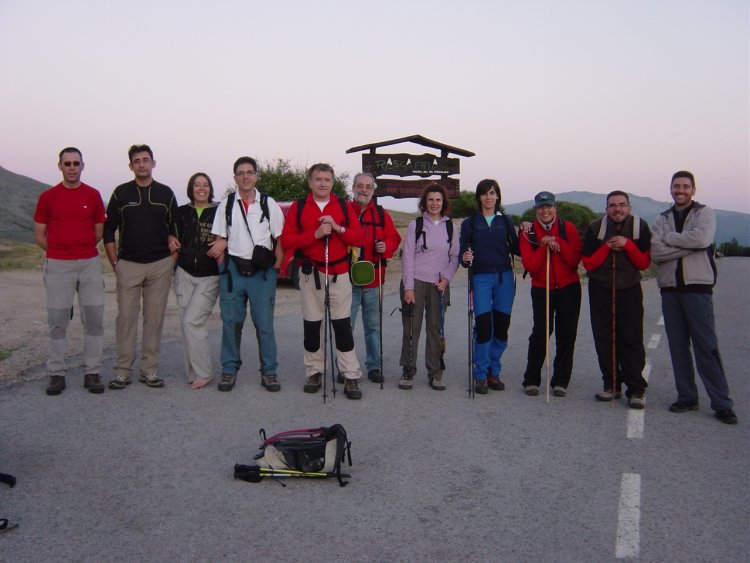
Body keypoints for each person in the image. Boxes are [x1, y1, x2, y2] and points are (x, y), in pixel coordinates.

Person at [650, 171, 737, 424]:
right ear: (670, 189)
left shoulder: (705, 213)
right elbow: (656, 250)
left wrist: (672, 241)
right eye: (676, 186)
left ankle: (722, 403)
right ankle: (687, 397)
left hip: (697, 289)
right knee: (678, 347)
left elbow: (703, 239)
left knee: (706, 347)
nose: (680, 190)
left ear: (693, 189)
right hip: (670, 289)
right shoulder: (662, 218)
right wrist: (687, 246)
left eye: (685, 186)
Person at [280, 163, 364, 399]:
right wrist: (314, 235)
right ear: (310, 182)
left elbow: (359, 238)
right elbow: (287, 241)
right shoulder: (298, 208)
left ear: (332, 182)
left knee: (342, 326)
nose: (323, 184)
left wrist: (337, 228)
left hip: (340, 273)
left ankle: (349, 374)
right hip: (311, 274)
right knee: (312, 326)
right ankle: (314, 371)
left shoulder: (344, 207)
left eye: (327, 180)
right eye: (318, 179)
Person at [33, 147, 106, 396]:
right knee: (57, 321)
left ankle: (92, 372)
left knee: (94, 319)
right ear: (60, 166)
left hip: (89, 263)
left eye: (76, 163)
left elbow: (98, 232)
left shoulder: (93, 195)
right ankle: (56, 373)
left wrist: (81, 249)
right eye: (68, 163)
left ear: (82, 166)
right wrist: (59, 251)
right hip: (58, 265)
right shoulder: (48, 197)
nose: (72, 167)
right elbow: (40, 234)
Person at [104, 144, 178, 390]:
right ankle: (122, 371)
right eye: (137, 161)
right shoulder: (120, 193)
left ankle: (150, 370)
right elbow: (108, 231)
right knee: (125, 318)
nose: (142, 164)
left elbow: (175, 230)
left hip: (159, 264)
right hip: (129, 264)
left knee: (154, 319)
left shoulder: (166, 194)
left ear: (153, 163)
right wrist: (115, 262)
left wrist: (171, 261)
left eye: (146, 160)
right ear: (131, 166)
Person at [209, 157, 284, 392]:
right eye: (240, 173)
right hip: (233, 272)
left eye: (249, 172)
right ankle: (229, 370)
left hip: (262, 274)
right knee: (231, 323)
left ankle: (269, 372)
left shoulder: (268, 203)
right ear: (234, 178)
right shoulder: (227, 204)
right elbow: (219, 239)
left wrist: (276, 268)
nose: (245, 177)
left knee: (264, 324)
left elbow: (280, 239)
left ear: (256, 176)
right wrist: (224, 269)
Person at [582, 190, 651, 408]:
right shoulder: (595, 228)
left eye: (622, 205)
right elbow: (589, 263)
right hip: (600, 287)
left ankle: (636, 388)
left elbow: (643, 263)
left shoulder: (640, 227)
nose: (617, 209)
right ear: (606, 208)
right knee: (603, 337)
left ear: (629, 207)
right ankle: (611, 383)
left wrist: (628, 245)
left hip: (629, 287)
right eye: (612, 205)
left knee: (631, 338)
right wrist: (607, 247)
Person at [519, 191, 582, 397]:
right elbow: (530, 265)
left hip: (569, 287)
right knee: (541, 333)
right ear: (535, 209)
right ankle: (531, 379)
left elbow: (574, 260)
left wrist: (558, 243)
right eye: (541, 207)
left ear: (555, 208)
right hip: (541, 286)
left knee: (567, 333)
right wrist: (543, 244)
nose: (545, 210)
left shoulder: (568, 228)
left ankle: (561, 380)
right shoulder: (528, 232)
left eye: (549, 206)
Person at [459, 179, 519, 394]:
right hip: (481, 278)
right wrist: (465, 258)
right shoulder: (470, 223)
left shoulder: (506, 221)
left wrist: (530, 232)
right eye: (484, 193)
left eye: (492, 193)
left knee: (501, 327)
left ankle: (495, 370)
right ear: (479, 197)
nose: (488, 197)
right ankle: (481, 375)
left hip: (504, 278)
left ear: (498, 196)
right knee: (484, 327)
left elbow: (518, 248)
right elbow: (462, 254)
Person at [399, 183, 460, 391]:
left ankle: (435, 372)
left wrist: (447, 279)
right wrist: (408, 287)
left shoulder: (450, 226)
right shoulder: (415, 225)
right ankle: (408, 370)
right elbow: (407, 258)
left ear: (444, 203)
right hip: (415, 282)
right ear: (424, 202)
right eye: (430, 200)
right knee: (411, 328)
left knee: (435, 328)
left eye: (438, 200)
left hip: (439, 284)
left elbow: (454, 257)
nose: (434, 203)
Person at [348, 172, 401, 384]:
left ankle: (374, 366)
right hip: (346, 280)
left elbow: (394, 238)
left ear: (373, 190)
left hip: (374, 279)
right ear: (352, 188)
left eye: (368, 187)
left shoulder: (381, 214)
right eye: (360, 186)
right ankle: (346, 367)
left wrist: (385, 246)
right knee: (345, 327)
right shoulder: (343, 211)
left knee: (373, 327)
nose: (363, 190)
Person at [170, 173, 221, 389]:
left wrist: (224, 243)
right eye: (197, 185)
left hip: (209, 275)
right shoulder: (181, 212)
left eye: (206, 185)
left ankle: (204, 372)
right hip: (184, 273)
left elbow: (230, 234)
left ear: (210, 188)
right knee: (185, 324)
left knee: (192, 321)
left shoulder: (219, 211)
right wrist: (170, 238)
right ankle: (192, 372)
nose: (201, 188)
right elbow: (171, 235)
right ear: (191, 188)